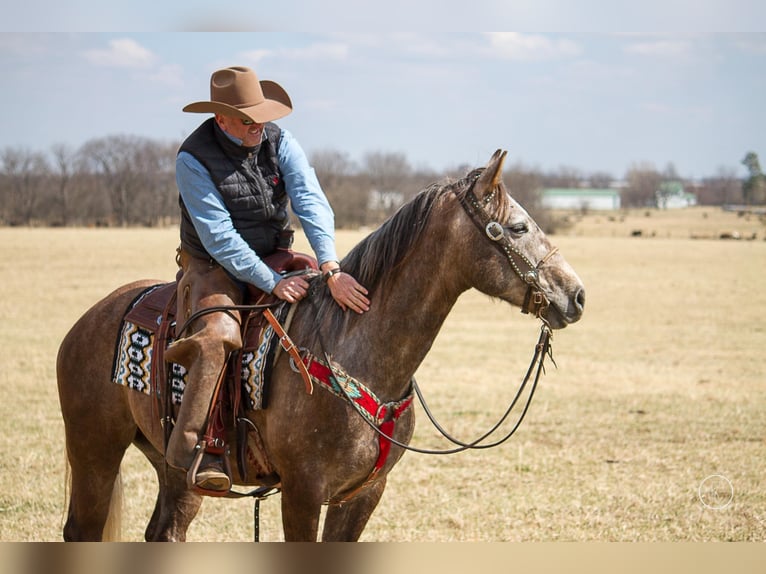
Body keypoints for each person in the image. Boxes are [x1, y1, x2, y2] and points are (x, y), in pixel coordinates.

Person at [164, 65, 370, 493]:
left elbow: (311, 201)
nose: (258, 124)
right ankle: (206, 444)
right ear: (221, 119)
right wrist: (271, 281)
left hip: (276, 251)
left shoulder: (279, 140)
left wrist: (330, 266)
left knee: (325, 308)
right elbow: (219, 237)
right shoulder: (193, 158)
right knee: (217, 334)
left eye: (260, 114)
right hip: (211, 264)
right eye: (247, 118)